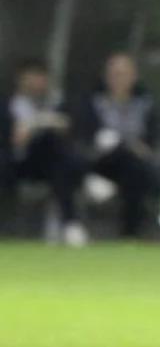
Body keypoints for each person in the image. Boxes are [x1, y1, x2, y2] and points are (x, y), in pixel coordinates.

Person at [75, 52, 160, 237]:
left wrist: (139, 147)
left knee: (133, 172)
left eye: (122, 74)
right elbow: (86, 137)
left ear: (133, 76)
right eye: (113, 74)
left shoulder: (144, 104)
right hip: (101, 165)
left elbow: (151, 140)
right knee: (127, 156)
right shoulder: (93, 103)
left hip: (135, 166)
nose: (117, 79)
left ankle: (132, 234)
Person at [4, 57, 88, 245]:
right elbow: (13, 140)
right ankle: (83, 184)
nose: (38, 82)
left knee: (57, 153)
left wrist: (38, 123)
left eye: (42, 77)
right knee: (55, 150)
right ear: (21, 79)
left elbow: (70, 130)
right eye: (33, 76)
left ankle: (71, 225)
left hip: (51, 165)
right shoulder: (9, 106)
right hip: (18, 164)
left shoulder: (57, 104)